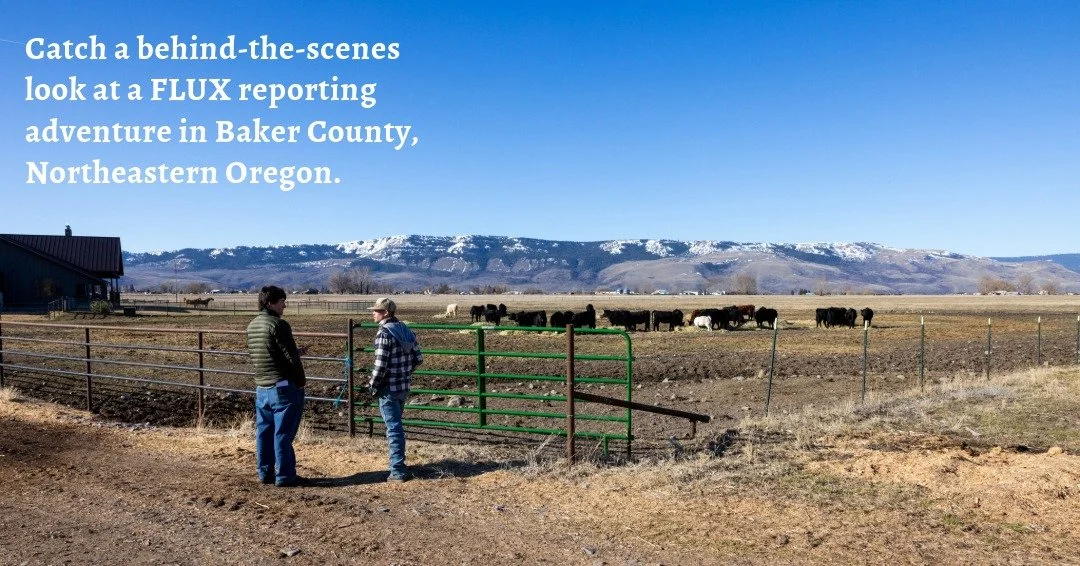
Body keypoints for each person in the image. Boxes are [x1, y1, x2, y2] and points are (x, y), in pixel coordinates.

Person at [247, 285, 308, 487]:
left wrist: (296, 351)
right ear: (271, 302)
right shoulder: (279, 325)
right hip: (282, 386)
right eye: (282, 301)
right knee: (283, 433)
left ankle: (264, 472)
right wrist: (300, 381)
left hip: (262, 386)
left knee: (264, 431)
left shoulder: (253, 325)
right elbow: (291, 358)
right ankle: (285, 475)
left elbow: (269, 353)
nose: (285, 306)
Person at [368, 297, 423, 482]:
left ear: (385, 313)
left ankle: (397, 470)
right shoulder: (406, 330)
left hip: (388, 387)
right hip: (403, 385)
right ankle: (398, 465)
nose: (373, 313)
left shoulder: (384, 334)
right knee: (396, 425)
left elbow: (380, 366)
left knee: (393, 428)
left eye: (376, 310)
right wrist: (405, 373)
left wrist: (372, 385)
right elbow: (418, 358)